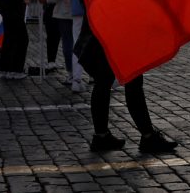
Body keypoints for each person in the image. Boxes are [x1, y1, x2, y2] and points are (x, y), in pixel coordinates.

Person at [74, 22, 178, 154]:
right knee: (130, 78)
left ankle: (102, 135)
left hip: (106, 25)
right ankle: (147, 136)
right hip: (116, 26)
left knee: (106, 80)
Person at [0, 0, 30, 79]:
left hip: (7, 8)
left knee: (9, 39)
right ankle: (16, 70)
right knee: (21, 39)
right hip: (15, 8)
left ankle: (5, 68)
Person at [43, 0, 74, 77]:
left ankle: (71, 74)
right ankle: (90, 74)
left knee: (67, 42)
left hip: (63, 11)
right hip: (80, 10)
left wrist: (46, 0)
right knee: (81, 42)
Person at [43, 0, 64, 70]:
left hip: (60, 9)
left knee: (58, 37)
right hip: (50, 10)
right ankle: (51, 60)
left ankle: (53, 60)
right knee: (52, 36)